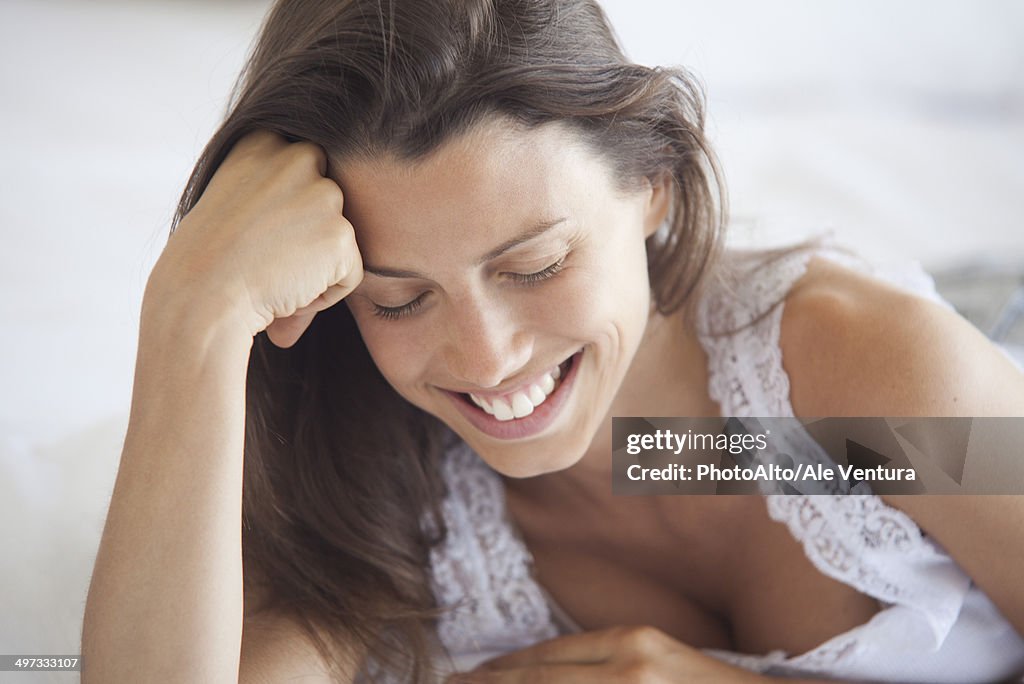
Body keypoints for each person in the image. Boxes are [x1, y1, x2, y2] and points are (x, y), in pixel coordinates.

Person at [81, 0, 1024, 682]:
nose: (486, 360)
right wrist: (190, 318)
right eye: (400, 301)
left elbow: (701, 457)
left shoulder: (871, 381)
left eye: (532, 267)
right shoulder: (373, 475)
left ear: (654, 180)